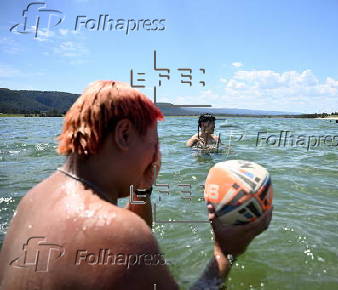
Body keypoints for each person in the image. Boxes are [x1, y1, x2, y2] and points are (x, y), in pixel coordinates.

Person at [0, 81, 272, 289]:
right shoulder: (116, 232)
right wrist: (226, 252)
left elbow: (136, 233)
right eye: (154, 142)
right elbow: (128, 235)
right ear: (124, 134)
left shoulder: (35, 198)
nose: (157, 154)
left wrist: (142, 190)